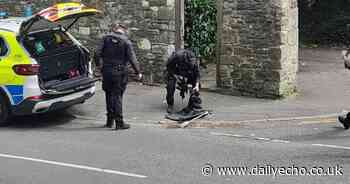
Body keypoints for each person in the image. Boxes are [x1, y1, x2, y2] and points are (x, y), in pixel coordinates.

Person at [95, 23, 142, 130]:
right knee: (117, 96)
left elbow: (97, 53)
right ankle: (119, 123)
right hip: (120, 72)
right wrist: (138, 72)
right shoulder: (126, 42)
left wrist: (99, 66)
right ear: (124, 30)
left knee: (108, 94)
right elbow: (132, 59)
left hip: (106, 71)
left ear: (115, 30)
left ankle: (109, 121)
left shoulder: (105, 38)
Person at [165, 49, 202, 113]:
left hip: (188, 74)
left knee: (197, 86)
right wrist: (176, 77)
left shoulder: (195, 62)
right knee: (170, 85)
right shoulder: (177, 56)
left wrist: (196, 85)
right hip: (176, 72)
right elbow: (168, 66)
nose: (192, 64)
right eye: (190, 63)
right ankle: (170, 104)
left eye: (193, 63)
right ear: (186, 60)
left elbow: (197, 74)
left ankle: (191, 104)